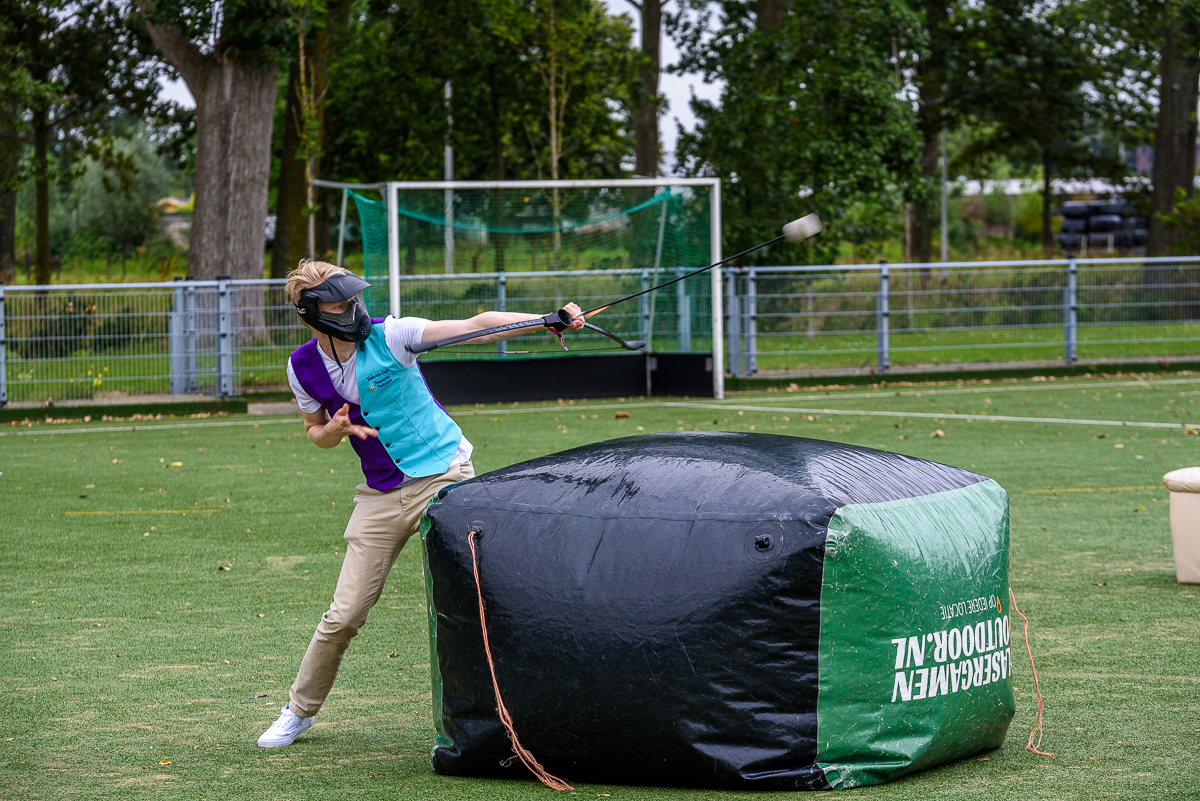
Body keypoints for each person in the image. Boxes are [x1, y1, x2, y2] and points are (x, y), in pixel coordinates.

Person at [257, 260, 584, 748]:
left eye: (353, 299)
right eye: (339, 304)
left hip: (445, 475)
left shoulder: (394, 335)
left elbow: (473, 328)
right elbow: (315, 433)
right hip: (380, 496)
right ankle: (298, 711)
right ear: (311, 313)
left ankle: (520, 707)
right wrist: (332, 430)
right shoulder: (300, 366)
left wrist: (545, 320)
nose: (352, 309)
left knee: (477, 598)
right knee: (343, 616)